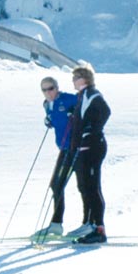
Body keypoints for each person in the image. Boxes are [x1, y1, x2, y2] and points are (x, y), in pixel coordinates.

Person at [68, 64, 111, 244]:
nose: (73, 81)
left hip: (93, 146)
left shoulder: (92, 94)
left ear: (84, 78)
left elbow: (105, 111)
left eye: (76, 77)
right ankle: (91, 224)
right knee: (85, 186)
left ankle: (99, 229)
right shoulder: (83, 96)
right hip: (85, 147)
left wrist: (90, 131)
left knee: (92, 187)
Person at [37, 76, 79, 242]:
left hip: (75, 148)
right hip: (64, 149)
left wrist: (75, 112)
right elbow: (55, 121)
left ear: (57, 87)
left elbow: (87, 109)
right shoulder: (47, 104)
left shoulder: (69, 99)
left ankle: (92, 224)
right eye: (45, 90)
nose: (48, 92)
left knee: (83, 186)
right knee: (56, 185)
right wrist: (49, 121)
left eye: (51, 88)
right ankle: (56, 224)